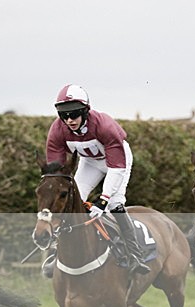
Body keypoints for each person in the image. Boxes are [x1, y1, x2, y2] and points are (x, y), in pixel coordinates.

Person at [44, 84, 150, 277]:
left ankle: (135, 255)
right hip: (90, 162)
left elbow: (116, 168)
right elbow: (56, 174)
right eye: (64, 115)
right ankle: (55, 253)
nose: (69, 120)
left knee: (115, 204)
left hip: (117, 162)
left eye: (74, 114)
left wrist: (103, 200)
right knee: (70, 203)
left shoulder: (104, 126)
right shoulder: (57, 130)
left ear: (85, 111)